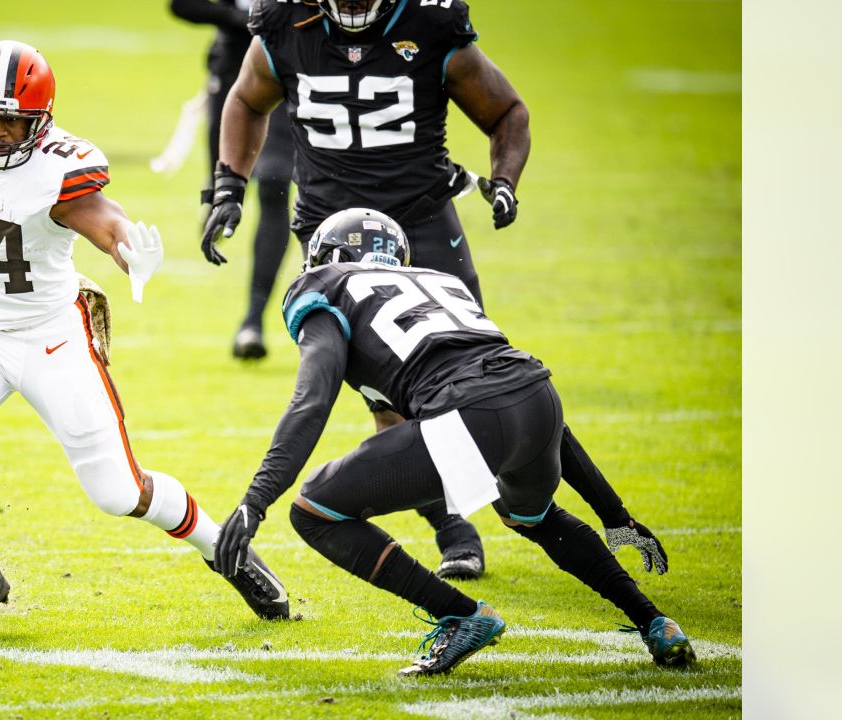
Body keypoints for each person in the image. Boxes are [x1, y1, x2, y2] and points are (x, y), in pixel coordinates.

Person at [0, 41, 290, 632]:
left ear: (41, 123)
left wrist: (132, 255)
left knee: (118, 491)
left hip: (51, 335)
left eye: (11, 121)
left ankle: (224, 547)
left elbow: (106, 222)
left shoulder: (58, 167)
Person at [201, 0, 632, 582]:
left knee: (476, 364)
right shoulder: (285, 23)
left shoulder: (430, 23)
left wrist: (504, 181)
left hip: (423, 219)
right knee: (388, 390)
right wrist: (229, 185)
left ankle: (522, 504)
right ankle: (454, 524)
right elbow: (248, 99)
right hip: (335, 235)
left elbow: (507, 111)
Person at [213, 208, 696, 675]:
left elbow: (311, 402)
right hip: (539, 398)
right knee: (532, 515)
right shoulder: (438, 281)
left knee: (315, 510)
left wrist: (255, 503)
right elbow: (512, 389)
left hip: (470, 414)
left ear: (326, 255)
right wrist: (615, 515)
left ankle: (460, 613)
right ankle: (655, 621)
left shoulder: (326, 286)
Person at [168, 0, 296, 359]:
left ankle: (252, 320)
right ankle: (216, 200)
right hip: (231, 77)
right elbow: (182, 5)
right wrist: (243, 21)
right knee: (223, 188)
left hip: (287, 73)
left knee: (274, 182)